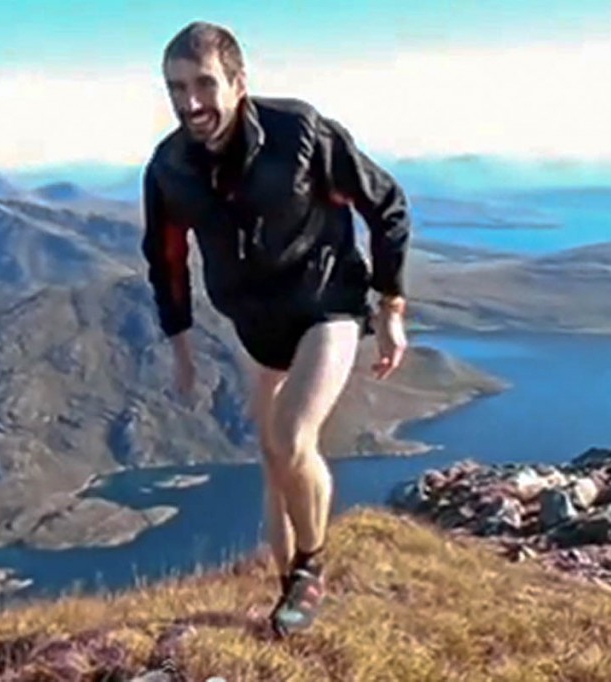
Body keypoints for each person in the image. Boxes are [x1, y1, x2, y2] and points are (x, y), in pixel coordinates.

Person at [140, 20, 412, 638]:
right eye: (176, 88)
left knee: (292, 435)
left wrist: (391, 309)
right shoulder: (169, 168)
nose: (190, 103)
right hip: (256, 326)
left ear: (238, 82)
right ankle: (289, 601)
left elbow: (386, 205)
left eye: (203, 84)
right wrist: (180, 348)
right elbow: (166, 258)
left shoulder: (300, 132)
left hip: (327, 304)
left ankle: (311, 570)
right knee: (271, 458)